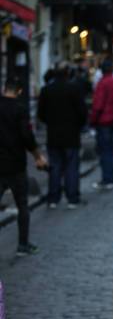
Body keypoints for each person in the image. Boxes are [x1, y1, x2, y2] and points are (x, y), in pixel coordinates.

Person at [0, 77, 47, 256]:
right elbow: (27, 136)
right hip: (16, 165)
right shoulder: (20, 109)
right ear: (19, 91)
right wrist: (38, 156)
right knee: (22, 205)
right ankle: (23, 244)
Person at [37, 64, 87, 209]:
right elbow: (82, 113)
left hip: (53, 134)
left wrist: (51, 122)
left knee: (55, 167)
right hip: (71, 134)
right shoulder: (74, 89)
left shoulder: (46, 90)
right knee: (71, 167)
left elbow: (41, 114)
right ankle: (72, 198)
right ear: (67, 73)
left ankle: (53, 198)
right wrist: (77, 125)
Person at [90, 59, 113, 190]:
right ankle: (112, 176)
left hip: (103, 121)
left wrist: (93, 121)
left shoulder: (102, 84)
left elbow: (97, 105)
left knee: (105, 150)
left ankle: (107, 178)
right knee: (111, 149)